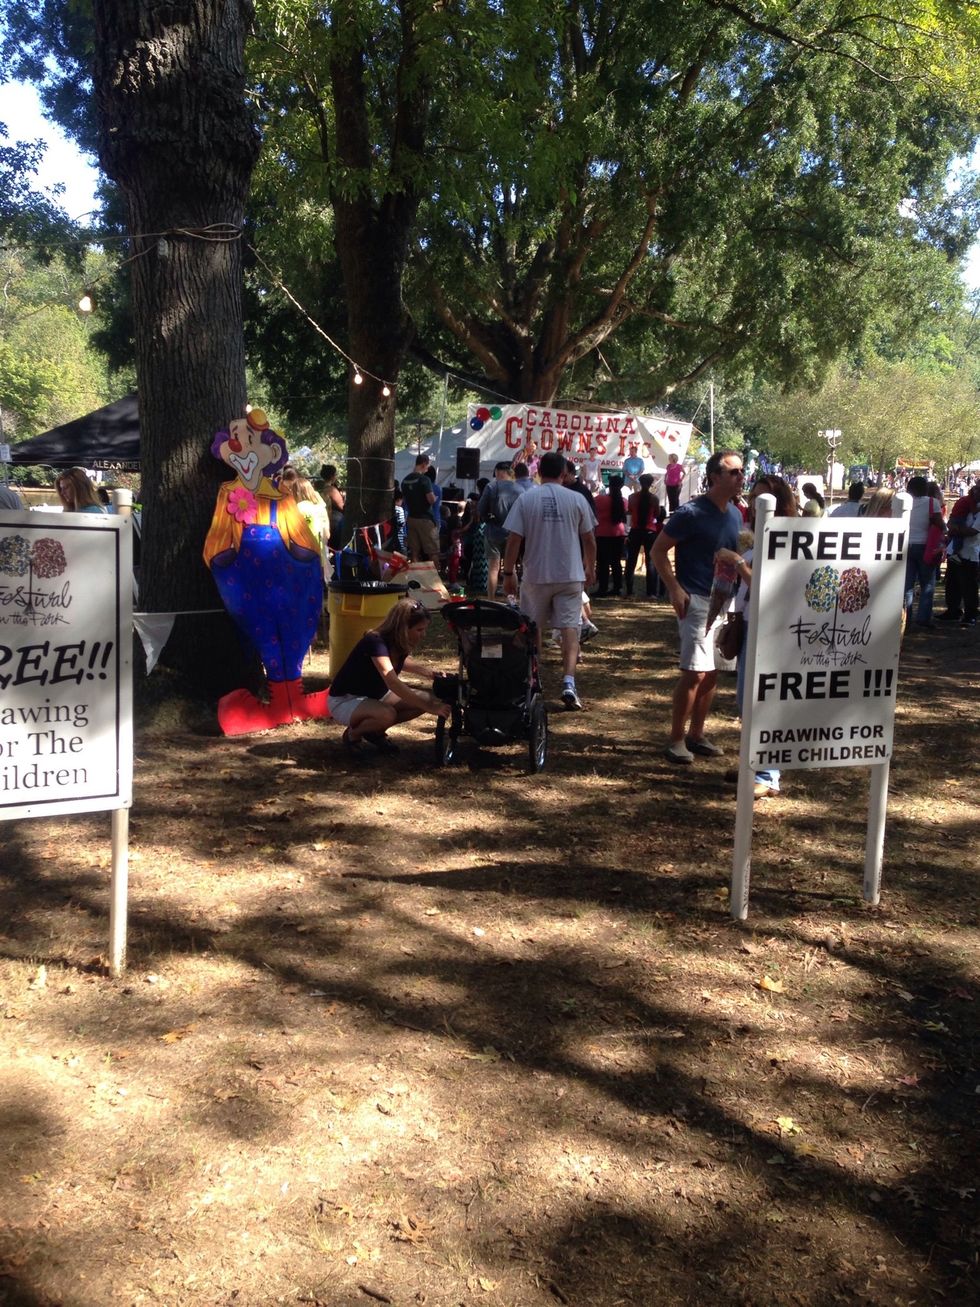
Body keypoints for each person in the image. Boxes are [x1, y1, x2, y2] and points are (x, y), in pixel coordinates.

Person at [651, 448, 744, 764]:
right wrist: (675, 589)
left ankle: (697, 734)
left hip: (724, 599)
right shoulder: (690, 513)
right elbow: (658, 552)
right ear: (714, 477)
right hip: (696, 600)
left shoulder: (735, 513)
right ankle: (676, 739)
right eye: (734, 472)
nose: (740, 477)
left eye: (742, 472)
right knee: (694, 672)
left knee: (712, 673)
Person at [716, 475, 798, 798]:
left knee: (763, 700)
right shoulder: (757, 535)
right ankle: (754, 763)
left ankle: (768, 774)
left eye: (764, 499)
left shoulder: (787, 539)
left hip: (773, 629)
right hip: (752, 624)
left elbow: (768, 590)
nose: (755, 503)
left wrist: (737, 562)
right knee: (745, 700)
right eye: (754, 497)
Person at [501, 449, 597, 710]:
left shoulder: (527, 498)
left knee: (533, 628)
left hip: (537, 574)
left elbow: (514, 540)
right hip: (570, 574)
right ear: (564, 474)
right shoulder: (577, 499)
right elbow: (589, 538)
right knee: (569, 628)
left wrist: (508, 573)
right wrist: (590, 567)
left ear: (539, 472)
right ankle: (568, 681)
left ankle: (533, 680)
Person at [328, 598, 449, 754]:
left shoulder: (399, 641)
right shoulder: (375, 641)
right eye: (419, 630)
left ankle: (374, 732)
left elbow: (398, 662)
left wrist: (428, 673)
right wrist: (431, 708)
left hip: (375, 695)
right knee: (388, 714)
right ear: (404, 628)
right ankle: (353, 734)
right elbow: (392, 681)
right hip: (346, 699)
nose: (423, 634)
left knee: (424, 699)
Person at [903, 475, 945, 629]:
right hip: (925, 546)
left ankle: (905, 618)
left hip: (906, 545)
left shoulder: (903, 502)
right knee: (927, 583)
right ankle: (924, 618)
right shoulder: (932, 503)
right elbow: (939, 523)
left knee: (907, 584)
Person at [478, 461, 522, 598]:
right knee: (511, 567)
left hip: (493, 532)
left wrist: (487, 518)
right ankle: (512, 600)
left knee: (493, 568)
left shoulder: (491, 487)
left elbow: (480, 509)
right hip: (513, 533)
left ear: (499, 471)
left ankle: (491, 599)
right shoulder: (520, 489)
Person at [939, 480, 980, 626]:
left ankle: (971, 615)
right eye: (976, 488)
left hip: (970, 553)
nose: (977, 491)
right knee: (952, 582)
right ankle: (953, 610)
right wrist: (954, 528)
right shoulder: (967, 503)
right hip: (955, 551)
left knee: (969, 585)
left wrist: (956, 529)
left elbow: (973, 531)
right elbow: (951, 522)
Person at [625, 474, 659, 599]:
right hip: (650, 532)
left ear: (639, 482)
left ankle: (629, 590)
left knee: (631, 561)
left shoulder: (632, 497)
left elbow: (629, 510)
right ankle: (651, 592)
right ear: (650, 484)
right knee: (651, 562)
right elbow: (657, 513)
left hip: (635, 531)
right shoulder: (654, 498)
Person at [593, 475, 628, 597]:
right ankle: (617, 587)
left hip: (602, 534)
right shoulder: (623, 501)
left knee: (602, 563)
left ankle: (602, 588)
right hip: (618, 534)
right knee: (616, 562)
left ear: (609, 485)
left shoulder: (599, 499)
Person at [401, 454, 440, 562]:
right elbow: (430, 500)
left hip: (411, 518)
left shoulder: (405, 480)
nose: (427, 469)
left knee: (414, 552)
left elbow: (405, 500)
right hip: (425, 519)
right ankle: (434, 578)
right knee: (433, 552)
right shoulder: (424, 479)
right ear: (423, 464)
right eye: (427, 466)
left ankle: (415, 577)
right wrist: (435, 498)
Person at [320, 465, 346, 548]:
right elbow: (341, 506)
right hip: (334, 521)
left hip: (322, 519)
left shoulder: (318, 488)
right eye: (336, 474)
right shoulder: (332, 490)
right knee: (336, 545)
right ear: (332, 476)